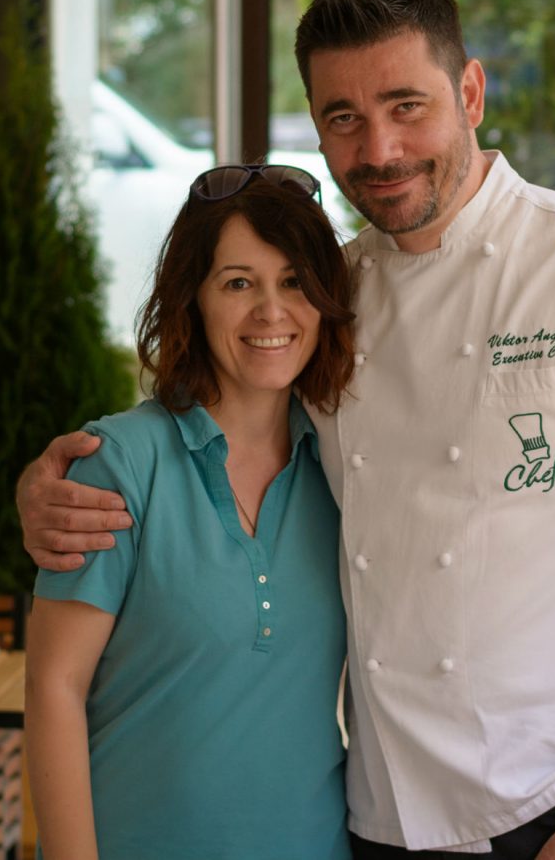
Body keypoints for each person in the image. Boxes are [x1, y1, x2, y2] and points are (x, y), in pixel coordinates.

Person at [19, 0, 555, 860]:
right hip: (389, 819)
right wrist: (51, 487)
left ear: (470, 93)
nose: (379, 149)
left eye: (406, 106)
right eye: (343, 118)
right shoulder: (332, 293)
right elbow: (224, 427)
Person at [23, 165, 356, 860]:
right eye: (238, 284)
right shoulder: (121, 462)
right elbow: (55, 686)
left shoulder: (343, 465)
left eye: (294, 282)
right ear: (192, 300)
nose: (271, 312)